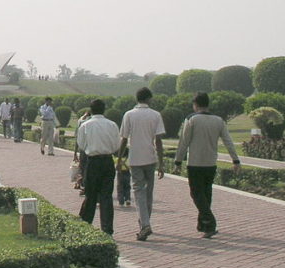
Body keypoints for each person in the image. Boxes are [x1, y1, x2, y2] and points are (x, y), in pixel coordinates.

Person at [174, 92, 241, 239]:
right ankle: (203, 224)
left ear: (195, 105)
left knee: (196, 194)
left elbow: (184, 142)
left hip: (195, 162)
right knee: (206, 193)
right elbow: (228, 141)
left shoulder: (191, 119)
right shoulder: (219, 120)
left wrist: (178, 161)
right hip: (211, 162)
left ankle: (210, 223)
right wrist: (235, 160)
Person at [118, 87, 166, 241]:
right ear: (148, 99)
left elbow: (124, 139)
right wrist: (161, 163)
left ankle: (145, 224)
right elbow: (158, 141)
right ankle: (145, 223)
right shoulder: (155, 115)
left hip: (135, 158)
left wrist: (119, 159)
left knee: (139, 192)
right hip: (150, 158)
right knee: (148, 193)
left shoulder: (129, 115)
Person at [75, 99, 121, 235]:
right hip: (107, 161)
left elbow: (82, 145)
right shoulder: (112, 125)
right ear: (104, 109)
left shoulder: (85, 125)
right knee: (106, 196)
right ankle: (107, 229)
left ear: (91, 110)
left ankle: (85, 226)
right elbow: (116, 145)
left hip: (93, 162)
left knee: (91, 195)